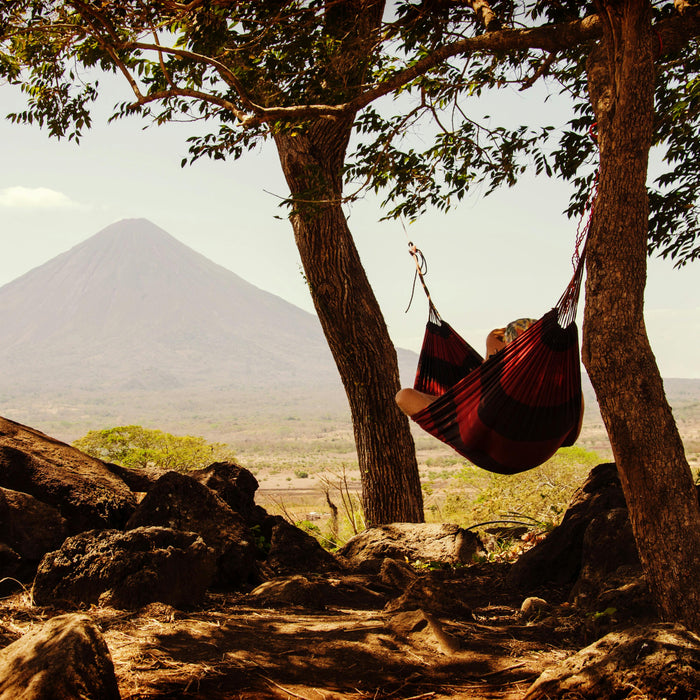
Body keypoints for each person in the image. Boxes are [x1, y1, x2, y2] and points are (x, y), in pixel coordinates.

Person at [395, 317, 537, 417]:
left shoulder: (520, 381)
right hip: (470, 403)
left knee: (405, 396)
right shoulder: (505, 372)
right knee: (406, 396)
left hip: (480, 416)